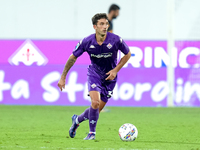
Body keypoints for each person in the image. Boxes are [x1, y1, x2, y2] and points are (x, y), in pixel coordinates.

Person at [57, 13, 131, 140]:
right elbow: (72, 57)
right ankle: (92, 133)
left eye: (106, 24)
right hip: (95, 74)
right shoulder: (87, 41)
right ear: (94, 27)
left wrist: (115, 70)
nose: (105, 26)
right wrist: (63, 77)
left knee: (96, 109)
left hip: (110, 77)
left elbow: (128, 54)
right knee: (95, 102)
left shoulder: (115, 40)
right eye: (101, 24)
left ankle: (77, 120)